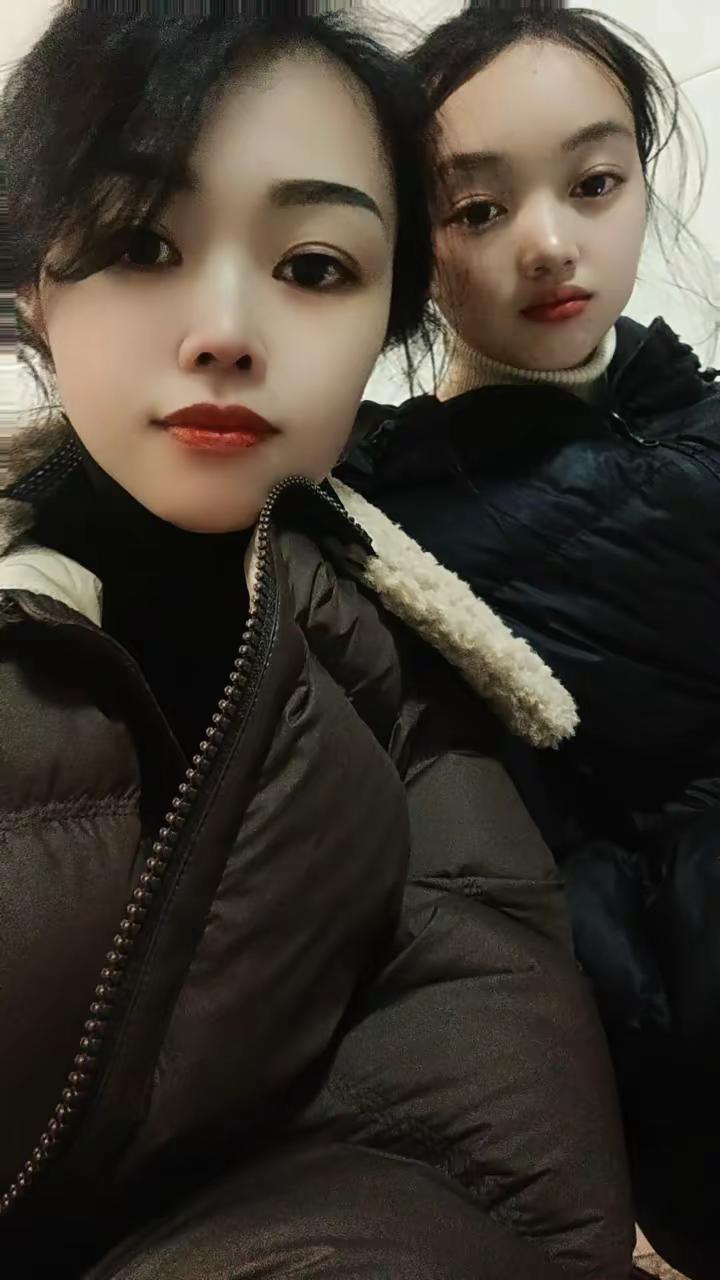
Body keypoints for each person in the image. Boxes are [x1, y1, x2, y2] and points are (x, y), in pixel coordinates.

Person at [0, 6, 637, 1279]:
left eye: (313, 266)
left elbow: (485, 1103)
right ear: (33, 285)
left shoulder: (404, 669)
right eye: (140, 242)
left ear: (389, 317)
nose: (226, 328)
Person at [337, 4, 720, 1278]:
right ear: (413, 244)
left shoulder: (697, 416)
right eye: (479, 209)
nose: (551, 243)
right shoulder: (381, 516)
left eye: (595, 183)